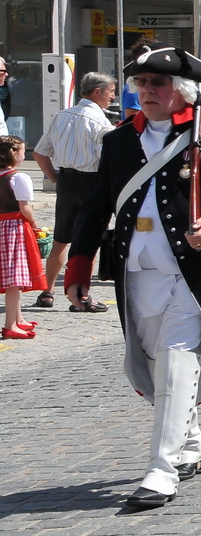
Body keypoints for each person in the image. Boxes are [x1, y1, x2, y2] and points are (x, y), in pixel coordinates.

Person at [63, 48, 201, 510]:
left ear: (181, 91)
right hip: (134, 270)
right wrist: (80, 265)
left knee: (176, 359)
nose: (147, 91)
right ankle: (192, 445)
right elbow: (95, 208)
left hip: (189, 272)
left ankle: (161, 468)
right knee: (152, 363)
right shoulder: (120, 140)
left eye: (158, 84)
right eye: (142, 83)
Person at [33, 72, 118, 312]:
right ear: (97, 92)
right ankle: (82, 295)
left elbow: (40, 152)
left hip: (67, 182)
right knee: (88, 240)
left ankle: (47, 292)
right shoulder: (99, 122)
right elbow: (108, 159)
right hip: (92, 183)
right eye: (111, 91)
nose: (113, 96)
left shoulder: (62, 116)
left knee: (60, 240)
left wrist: (56, 178)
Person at [0, 136, 45, 339]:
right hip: (14, 228)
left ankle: (18, 318)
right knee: (14, 279)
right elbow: (24, 208)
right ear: (14, 154)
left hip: (1, 225)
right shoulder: (18, 178)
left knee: (14, 276)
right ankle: (10, 324)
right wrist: (35, 225)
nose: (23, 155)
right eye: (21, 151)